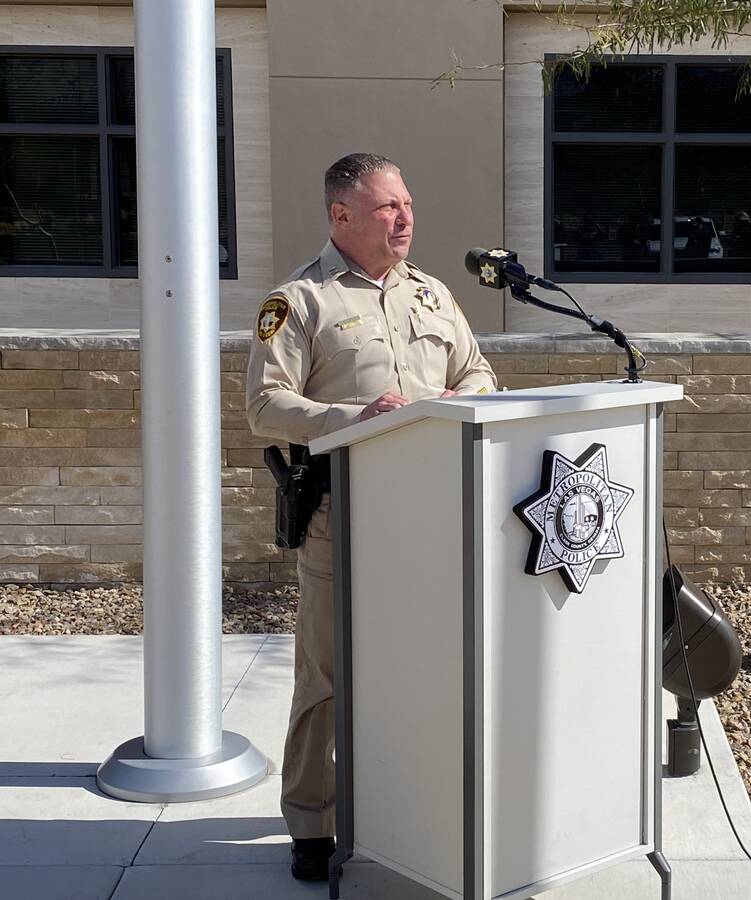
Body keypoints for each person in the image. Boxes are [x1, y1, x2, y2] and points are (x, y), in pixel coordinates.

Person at [245, 153, 497, 881]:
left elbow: (476, 372)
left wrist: (465, 401)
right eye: (387, 207)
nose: (406, 218)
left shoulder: (434, 294)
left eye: (407, 203)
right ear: (341, 216)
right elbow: (264, 407)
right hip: (342, 514)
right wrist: (356, 416)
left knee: (429, 667)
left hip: (439, 513)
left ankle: (411, 807)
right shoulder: (298, 302)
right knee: (327, 673)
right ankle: (312, 825)